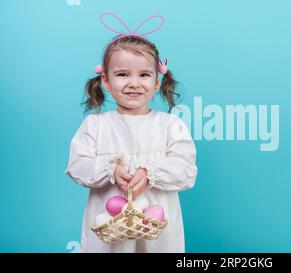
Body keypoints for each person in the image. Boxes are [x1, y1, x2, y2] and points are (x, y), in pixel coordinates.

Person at [65, 12, 197, 252]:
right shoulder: (96, 126)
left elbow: (186, 171)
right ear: (106, 80)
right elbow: (76, 166)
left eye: (144, 75)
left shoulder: (170, 125)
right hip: (109, 235)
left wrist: (150, 173)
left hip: (157, 234)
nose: (134, 83)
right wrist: (109, 169)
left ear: (157, 82)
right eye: (122, 74)